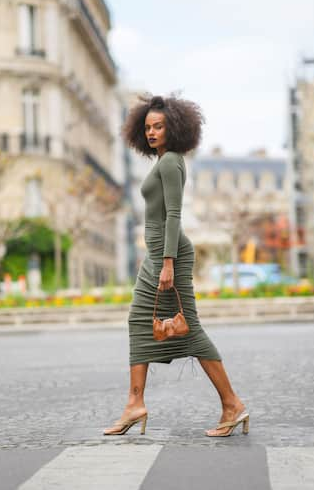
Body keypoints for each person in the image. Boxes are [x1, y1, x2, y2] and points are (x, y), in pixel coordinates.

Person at [103, 94, 249, 437]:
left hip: (170, 256)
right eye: (148, 127)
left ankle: (232, 404)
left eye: (159, 126)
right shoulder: (163, 162)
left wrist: (167, 262)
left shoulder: (171, 162)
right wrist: (156, 259)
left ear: (175, 128)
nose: (152, 132)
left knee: (191, 328)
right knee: (139, 320)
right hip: (156, 256)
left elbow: (173, 215)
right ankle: (134, 404)